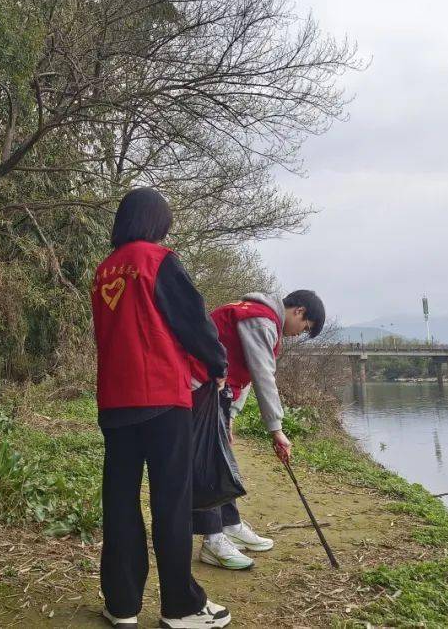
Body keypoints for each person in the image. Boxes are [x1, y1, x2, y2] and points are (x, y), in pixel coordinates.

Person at [92, 187, 232, 629]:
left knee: (119, 501)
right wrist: (217, 364)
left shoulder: (104, 271)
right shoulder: (157, 260)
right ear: (156, 222)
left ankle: (121, 604)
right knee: (171, 502)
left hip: (115, 402)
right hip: (161, 398)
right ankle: (181, 607)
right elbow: (193, 320)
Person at [191, 290, 325, 571]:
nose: (299, 333)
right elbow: (264, 375)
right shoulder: (260, 320)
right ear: (299, 312)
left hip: (217, 391)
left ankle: (229, 525)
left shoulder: (260, 317)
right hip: (200, 386)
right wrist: (276, 429)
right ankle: (213, 541)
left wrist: (231, 416)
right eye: (306, 328)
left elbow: (248, 374)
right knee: (210, 463)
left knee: (223, 459)